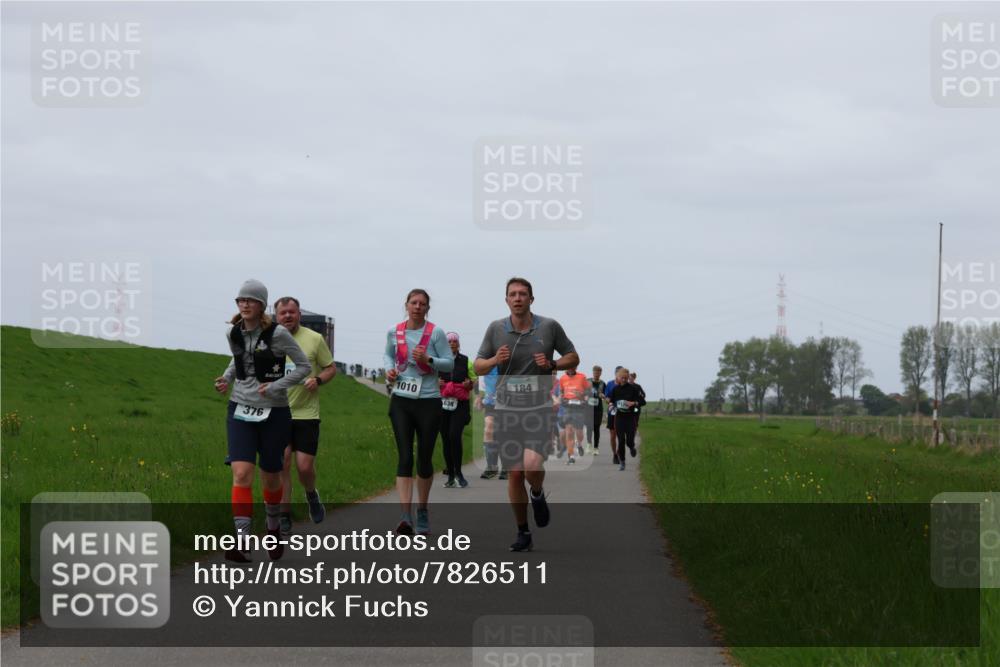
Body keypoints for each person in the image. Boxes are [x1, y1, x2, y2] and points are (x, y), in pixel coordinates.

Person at [474, 277, 578, 552]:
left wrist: (553, 363)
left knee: (532, 465)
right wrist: (496, 359)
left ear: (532, 299)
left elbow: (573, 357)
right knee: (515, 474)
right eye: (512, 294)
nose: (517, 298)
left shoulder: (549, 327)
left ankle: (538, 493)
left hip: (539, 408)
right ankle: (523, 532)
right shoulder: (496, 329)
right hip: (507, 410)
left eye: (523, 294)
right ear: (506, 300)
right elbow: (478, 366)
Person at [214, 279, 310, 563]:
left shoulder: (278, 334)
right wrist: (226, 379)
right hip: (240, 409)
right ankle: (242, 542)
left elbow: (303, 367)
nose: (244, 304)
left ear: (261, 305)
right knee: (242, 473)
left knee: (270, 476)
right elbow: (238, 360)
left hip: (274, 412)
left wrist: (278, 385)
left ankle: (272, 528)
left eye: (250, 300)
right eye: (240, 300)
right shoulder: (233, 332)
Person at [384, 289, 453, 536]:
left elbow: (449, 363)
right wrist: (389, 371)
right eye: (413, 302)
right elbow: (388, 355)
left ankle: (422, 510)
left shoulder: (435, 332)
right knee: (404, 457)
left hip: (429, 402)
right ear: (407, 305)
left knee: (424, 458)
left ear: (427, 308)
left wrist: (429, 359)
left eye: (422, 304)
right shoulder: (394, 331)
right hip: (401, 400)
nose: (417, 307)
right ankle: (405, 516)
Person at [274, 296, 337, 536]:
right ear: (277, 316)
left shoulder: (314, 339)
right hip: (278, 411)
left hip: (306, 413)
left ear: (299, 314)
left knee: (304, 467)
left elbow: (330, 368)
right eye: (283, 313)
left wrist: (318, 379)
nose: (288, 316)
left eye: (292, 312)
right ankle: (284, 514)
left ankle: (311, 494)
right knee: (283, 462)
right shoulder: (269, 340)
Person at [439, 332, 477, 488]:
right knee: (446, 439)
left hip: (460, 404)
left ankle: (459, 472)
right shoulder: (439, 361)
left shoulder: (466, 361)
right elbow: (430, 376)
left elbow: (474, 379)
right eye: (449, 341)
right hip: (442, 404)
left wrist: (470, 383)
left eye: (455, 341)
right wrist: (436, 382)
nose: (452, 343)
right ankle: (451, 475)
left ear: (458, 344)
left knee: (455, 436)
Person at [609, 367, 645, 471]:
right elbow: (611, 401)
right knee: (620, 440)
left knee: (629, 441)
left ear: (628, 377)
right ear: (618, 378)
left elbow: (643, 402)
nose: (624, 380)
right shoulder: (615, 389)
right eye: (622, 378)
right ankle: (622, 462)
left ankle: (632, 447)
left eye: (625, 378)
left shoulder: (633, 389)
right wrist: (611, 406)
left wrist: (633, 403)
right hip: (619, 418)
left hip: (630, 418)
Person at [476, 366, 505, 479]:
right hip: (491, 403)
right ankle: (491, 467)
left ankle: (506, 467)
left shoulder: (511, 361)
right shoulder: (488, 363)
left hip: (508, 403)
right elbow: (479, 381)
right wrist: (479, 397)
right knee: (489, 429)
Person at [558, 362, 590, 463]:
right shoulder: (562, 378)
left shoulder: (582, 377)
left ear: (575, 367)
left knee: (579, 433)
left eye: (573, 366)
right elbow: (562, 392)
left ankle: (579, 444)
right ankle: (571, 456)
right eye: (569, 366)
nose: (571, 368)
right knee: (569, 432)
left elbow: (588, 391)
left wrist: (584, 397)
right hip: (568, 408)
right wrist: (562, 399)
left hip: (579, 408)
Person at [604, 365, 624, 465]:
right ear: (616, 374)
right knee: (613, 435)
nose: (621, 375)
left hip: (623, 412)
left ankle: (619, 452)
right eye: (619, 373)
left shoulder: (626, 385)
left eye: (623, 373)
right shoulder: (610, 384)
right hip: (612, 411)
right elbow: (606, 397)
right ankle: (615, 454)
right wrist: (610, 402)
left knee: (621, 434)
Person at [587, 366, 607, 455]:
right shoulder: (587, 381)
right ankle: (589, 445)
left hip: (598, 408)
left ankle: (596, 448)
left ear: (600, 373)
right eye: (595, 372)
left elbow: (606, 396)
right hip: (588, 408)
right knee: (589, 427)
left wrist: (603, 396)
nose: (596, 374)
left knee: (596, 428)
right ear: (593, 372)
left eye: (598, 373)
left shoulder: (603, 384)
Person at [629, 371, 646, 442]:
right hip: (628, 406)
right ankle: (629, 432)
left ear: (634, 378)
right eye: (629, 377)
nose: (630, 379)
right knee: (628, 420)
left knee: (635, 420)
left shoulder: (638, 386)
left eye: (632, 378)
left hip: (636, 407)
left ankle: (634, 431)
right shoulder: (626, 386)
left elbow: (643, 395)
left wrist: (640, 396)